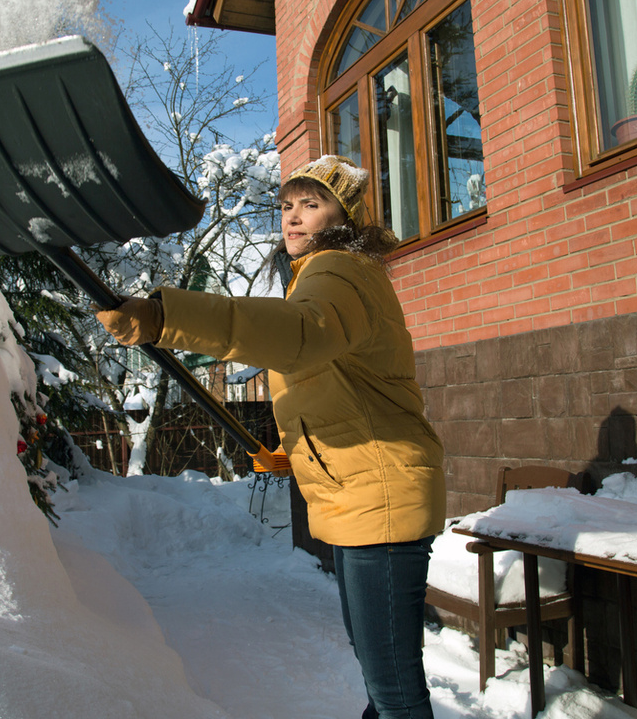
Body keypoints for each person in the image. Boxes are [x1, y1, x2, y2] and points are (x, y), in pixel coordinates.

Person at [97, 155, 446, 719]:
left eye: (312, 204)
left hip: (380, 498)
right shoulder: (327, 277)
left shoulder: (339, 270)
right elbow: (336, 386)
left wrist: (167, 317)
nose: (293, 218)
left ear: (345, 215)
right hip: (365, 493)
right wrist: (298, 451)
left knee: (395, 693)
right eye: (286, 206)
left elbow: (299, 337)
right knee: (382, 679)